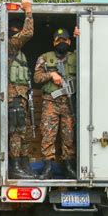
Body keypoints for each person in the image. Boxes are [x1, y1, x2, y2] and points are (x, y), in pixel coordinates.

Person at [33, 27, 79, 179]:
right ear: (54, 42)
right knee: (48, 135)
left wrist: (81, 37)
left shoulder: (76, 56)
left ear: (69, 41)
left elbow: (90, 59)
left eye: (64, 40)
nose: (61, 42)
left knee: (69, 136)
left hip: (69, 102)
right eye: (58, 40)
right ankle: (48, 168)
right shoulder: (45, 58)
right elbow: (37, 78)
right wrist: (51, 74)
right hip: (51, 101)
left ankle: (68, 167)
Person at [7, 0, 36, 179]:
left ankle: (24, 166)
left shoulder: (20, 54)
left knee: (24, 131)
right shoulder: (10, 46)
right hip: (14, 97)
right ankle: (15, 167)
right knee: (16, 132)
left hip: (22, 96)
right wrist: (28, 11)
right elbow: (28, 33)